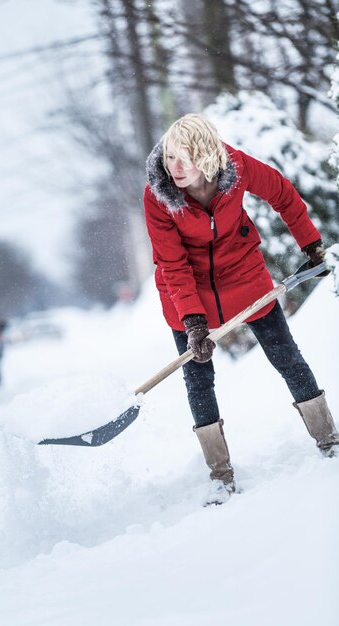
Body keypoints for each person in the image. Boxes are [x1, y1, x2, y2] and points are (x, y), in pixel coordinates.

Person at [143, 113, 339, 506]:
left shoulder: (238, 167)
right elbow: (172, 263)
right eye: (169, 159)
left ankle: (329, 439)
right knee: (199, 381)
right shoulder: (158, 196)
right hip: (186, 295)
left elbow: (282, 194)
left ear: (205, 155)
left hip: (245, 278)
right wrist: (194, 322)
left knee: (287, 357)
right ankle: (220, 475)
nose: (174, 168)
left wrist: (310, 245)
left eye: (184, 158)